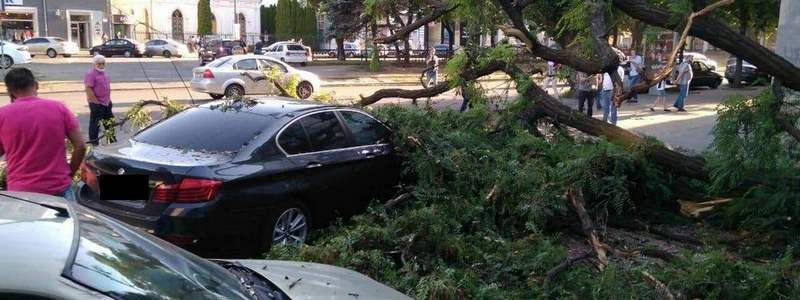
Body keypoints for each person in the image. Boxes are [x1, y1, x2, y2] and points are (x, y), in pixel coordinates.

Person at [0, 68, 86, 199]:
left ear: (11, 91)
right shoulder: (58, 108)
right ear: (36, 85)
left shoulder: (3, 115)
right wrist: (70, 173)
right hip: (59, 188)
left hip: (21, 192)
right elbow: (81, 146)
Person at [85, 55, 116, 145]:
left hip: (106, 102)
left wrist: (109, 101)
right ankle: (94, 143)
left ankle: (112, 141)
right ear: (94, 64)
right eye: (99, 64)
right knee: (95, 125)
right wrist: (96, 102)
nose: (101, 66)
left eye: (103, 64)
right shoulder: (91, 74)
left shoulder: (104, 73)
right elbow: (88, 89)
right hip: (97, 103)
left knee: (110, 123)